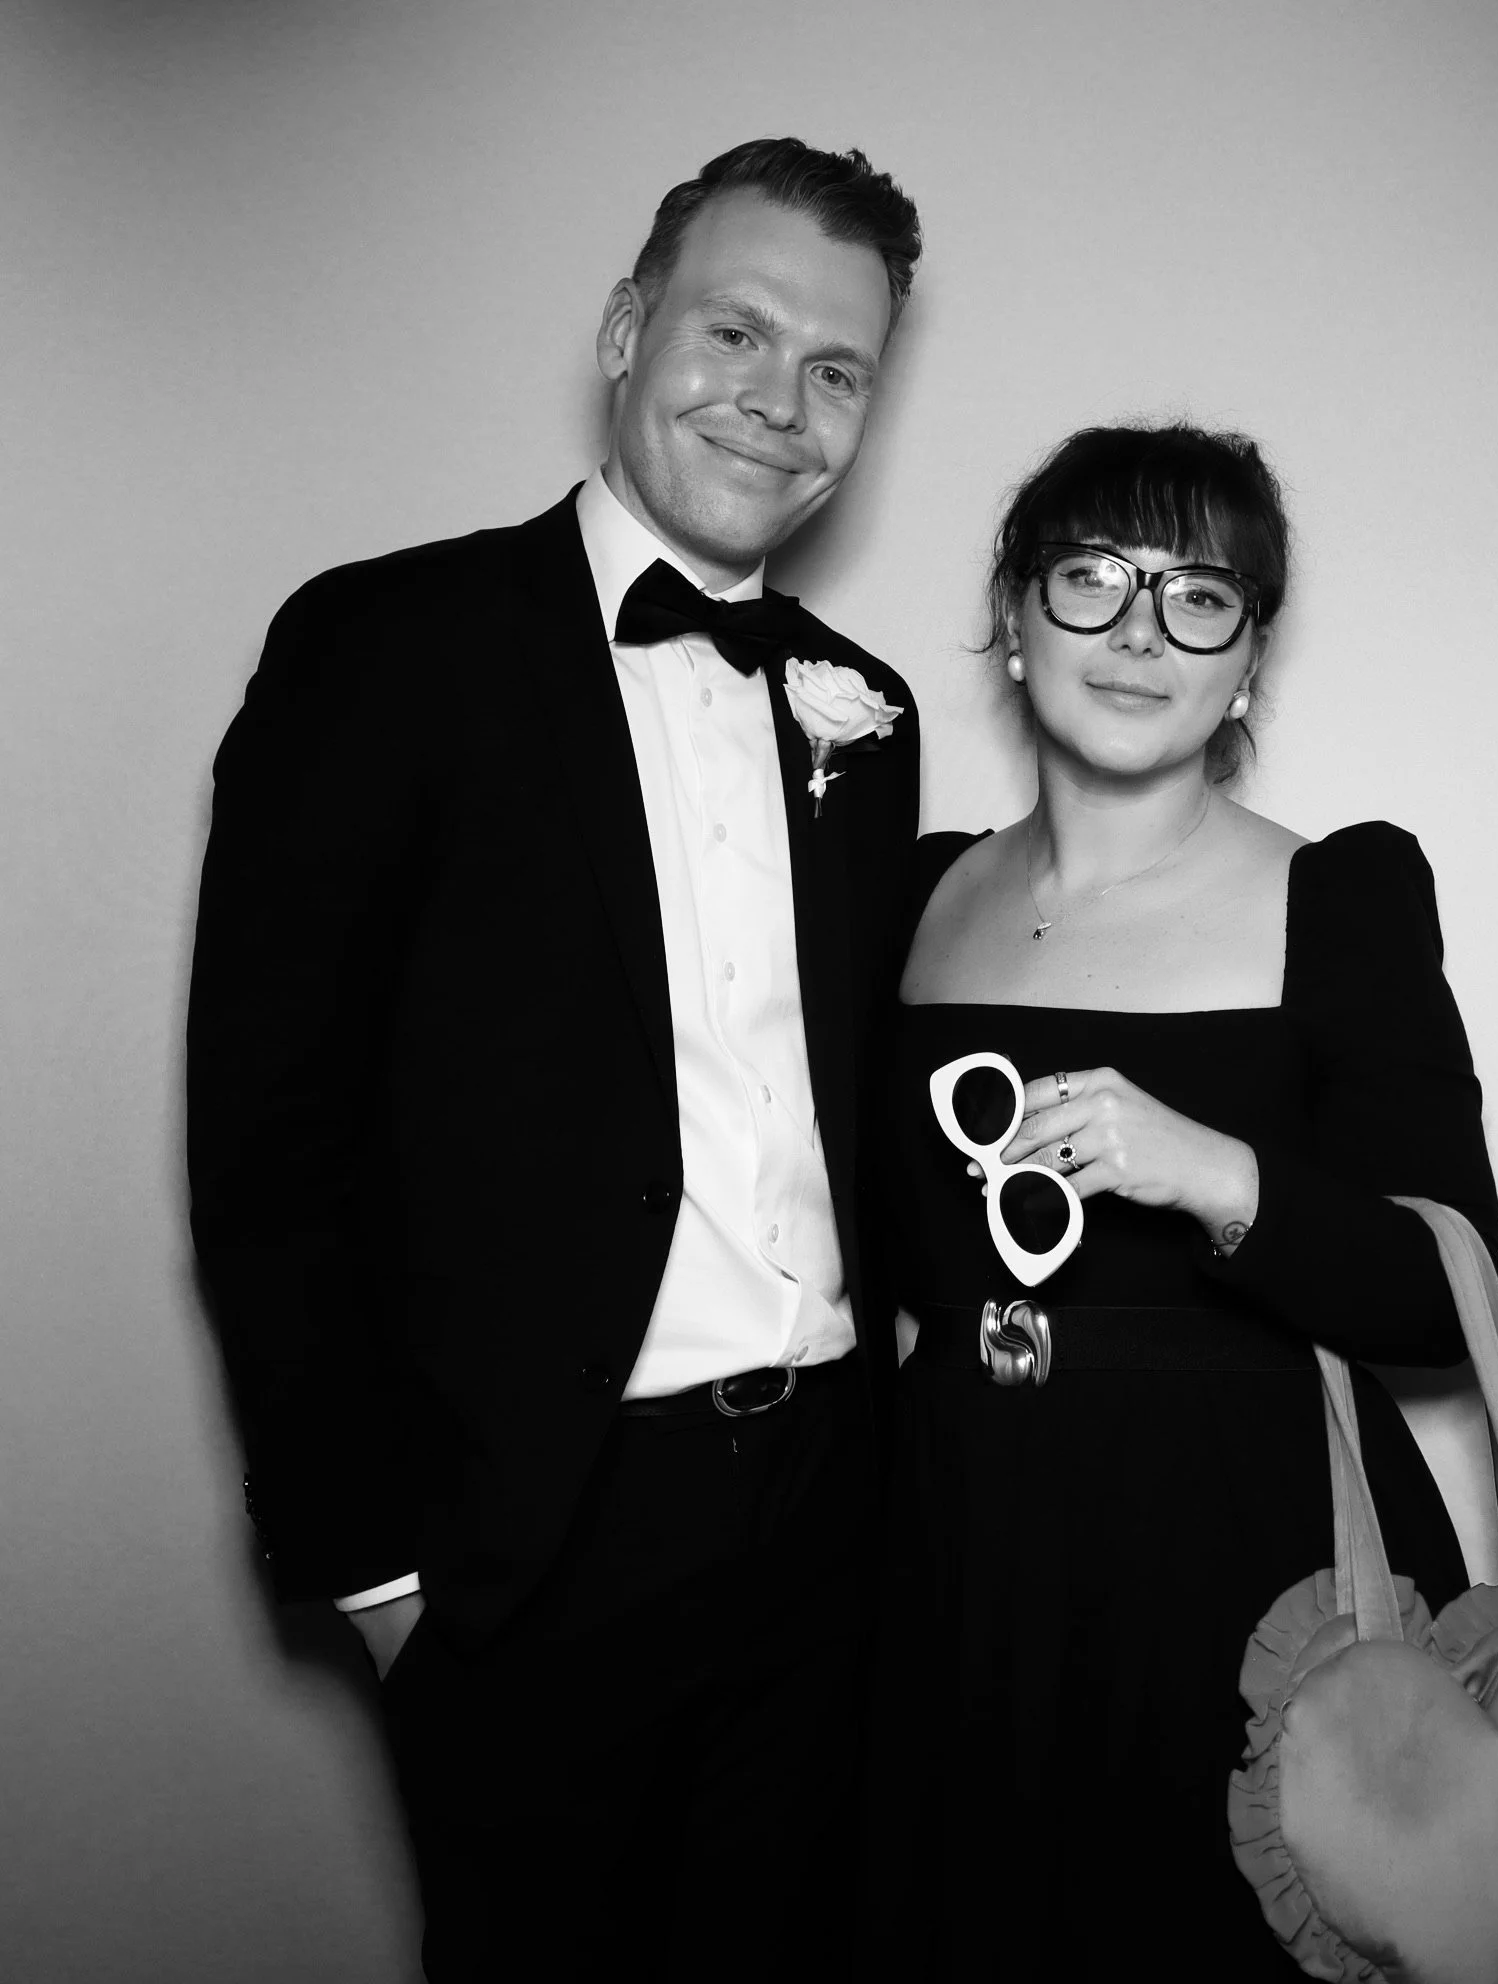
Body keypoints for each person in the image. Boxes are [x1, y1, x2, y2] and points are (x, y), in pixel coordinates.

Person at [187, 138, 923, 1981]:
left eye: (837, 369)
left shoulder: (870, 710)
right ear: (624, 329)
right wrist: (378, 1578)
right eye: (735, 331)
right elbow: (268, 1148)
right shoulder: (384, 646)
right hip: (534, 1546)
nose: (781, 403)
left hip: (829, 1516)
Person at [869, 423, 1498, 1978]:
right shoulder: (908, 888)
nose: (1142, 632)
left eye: (1199, 595)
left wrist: (1211, 1173)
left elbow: (1443, 1297)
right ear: (1013, 625)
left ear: (1249, 664)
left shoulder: (1341, 892)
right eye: (1093, 580)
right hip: (950, 1555)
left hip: (1240, 1567)